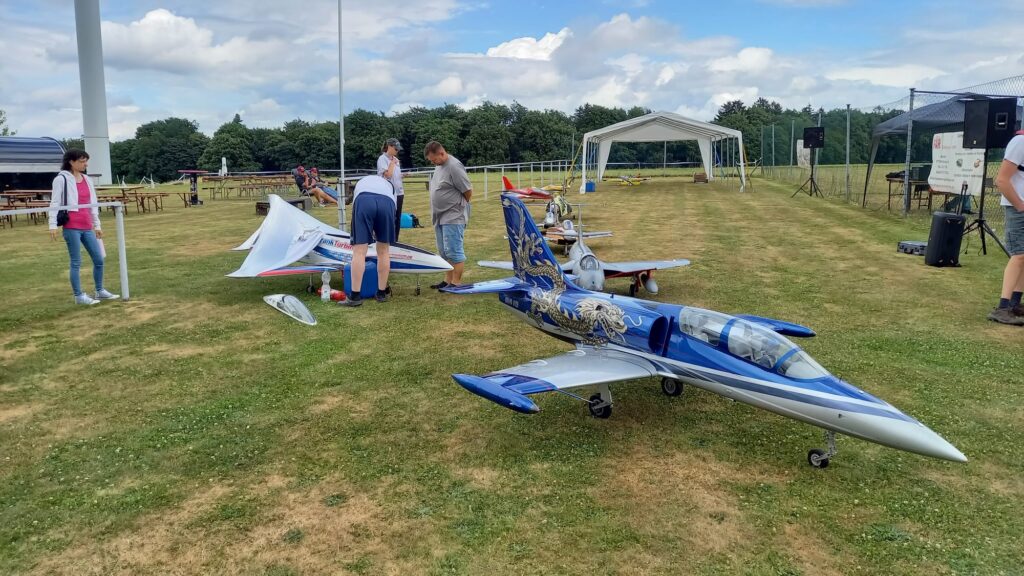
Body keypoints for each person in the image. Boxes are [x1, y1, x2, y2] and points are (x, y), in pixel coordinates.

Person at [47, 149, 119, 305]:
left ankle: (99, 290)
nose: (85, 164)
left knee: (99, 259)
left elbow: (93, 203)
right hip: (71, 226)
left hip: (87, 226)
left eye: (86, 161)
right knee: (76, 262)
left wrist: (97, 225)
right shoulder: (61, 179)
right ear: (71, 162)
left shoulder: (87, 179)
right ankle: (79, 296)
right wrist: (52, 225)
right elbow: (55, 202)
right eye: (82, 161)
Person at [337, 175, 397, 307]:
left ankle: (355, 296)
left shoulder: (362, 182)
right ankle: (381, 293)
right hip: (387, 203)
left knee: (359, 251)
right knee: (384, 251)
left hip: (364, 200)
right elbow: (395, 212)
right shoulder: (390, 188)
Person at [424, 141, 472, 290]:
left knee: (454, 250)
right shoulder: (439, 165)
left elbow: (468, 191)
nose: (433, 163)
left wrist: (457, 205)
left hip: (453, 215)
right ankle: (447, 280)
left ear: (441, 153)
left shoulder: (454, 166)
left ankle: (456, 283)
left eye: (434, 160)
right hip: (439, 216)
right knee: (444, 251)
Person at [988, 131, 1024, 325]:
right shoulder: (1020, 141)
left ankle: (1015, 304)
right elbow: (1002, 180)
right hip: (1018, 209)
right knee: (1019, 256)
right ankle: (1002, 308)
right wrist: (1020, 205)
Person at [376, 138, 405, 240]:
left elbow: (395, 175)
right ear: (389, 147)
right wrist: (392, 163)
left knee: (397, 218)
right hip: (388, 193)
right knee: (388, 217)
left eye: (398, 149)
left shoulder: (395, 159)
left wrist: (402, 175)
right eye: (396, 149)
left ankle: (395, 240)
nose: (397, 151)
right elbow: (388, 175)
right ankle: (385, 239)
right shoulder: (382, 159)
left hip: (399, 192)